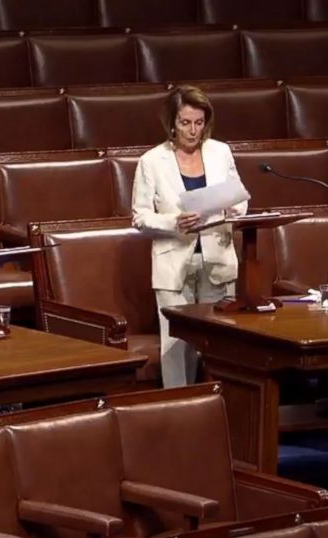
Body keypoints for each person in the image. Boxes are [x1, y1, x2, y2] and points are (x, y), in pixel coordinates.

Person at [131, 85, 248, 388]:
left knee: (221, 344)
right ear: (172, 123)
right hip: (175, 265)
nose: (193, 130)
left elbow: (239, 197)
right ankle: (179, 415)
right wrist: (175, 221)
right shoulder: (151, 161)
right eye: (185, 123)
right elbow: (140, 217)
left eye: (199, 122)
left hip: (218, 260)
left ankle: (223, 411)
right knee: (176, 348)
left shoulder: (220, 152)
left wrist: (235, 209)